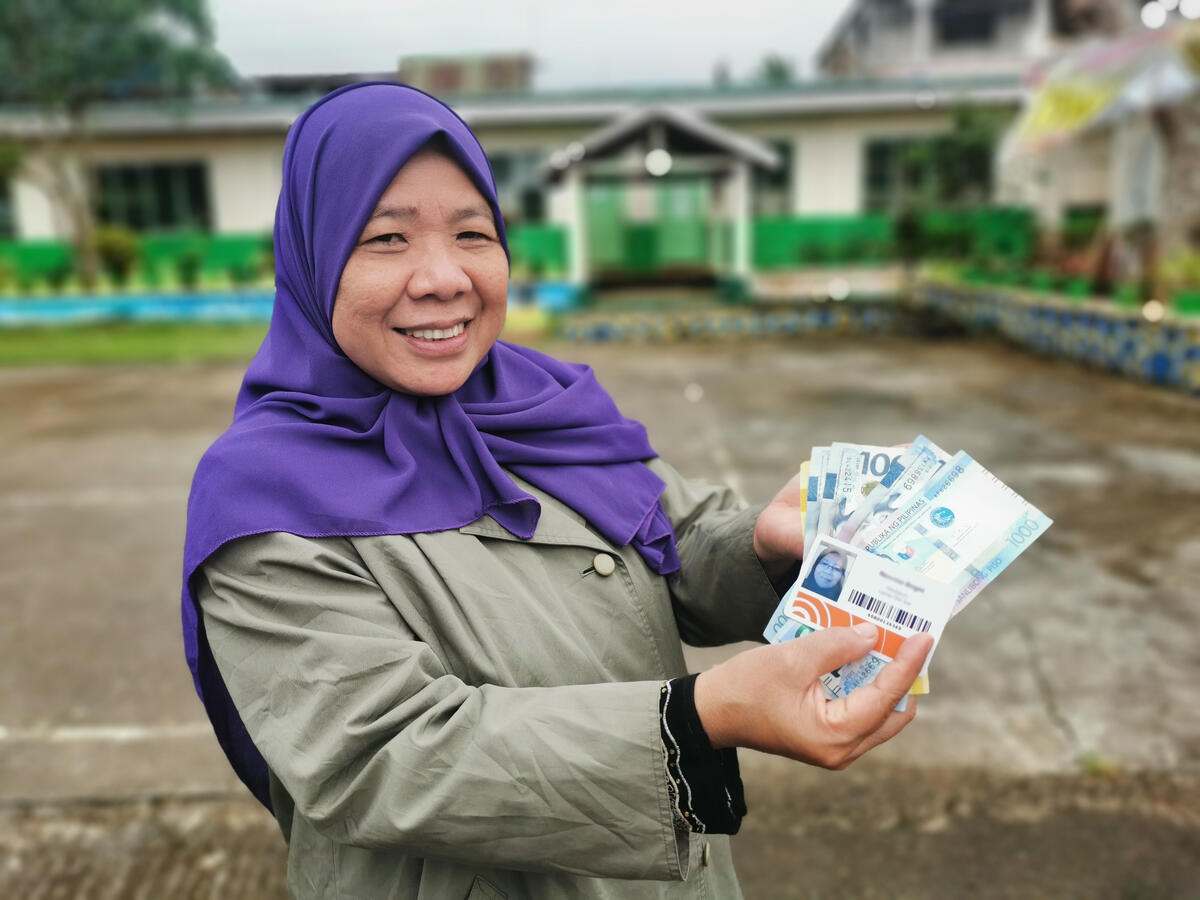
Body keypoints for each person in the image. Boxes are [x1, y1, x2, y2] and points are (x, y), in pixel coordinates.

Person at [181, 82, 931, 899]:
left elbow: (672, 540)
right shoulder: (262, 496)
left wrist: (768, 543)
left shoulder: (541, 407)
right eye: (385, 238)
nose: (443, 277)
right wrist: (697, 721)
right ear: (312, 258)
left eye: (473, 233)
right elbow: (381, 758)